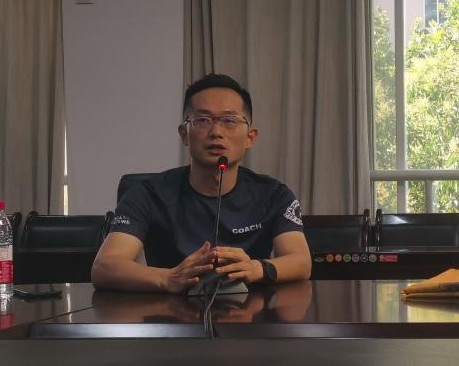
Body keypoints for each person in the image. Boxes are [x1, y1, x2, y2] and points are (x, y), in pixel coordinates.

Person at [91, 73, 312, 292]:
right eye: (203, 120)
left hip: (250, 311)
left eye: (229, 120)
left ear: (250, 137)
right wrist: (167, 278)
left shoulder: (273, 194)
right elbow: (104, 266)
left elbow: (302, 262)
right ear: (184, 134)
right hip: (169, 310)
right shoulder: (147, 194)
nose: (216, 132)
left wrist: (256, 268)